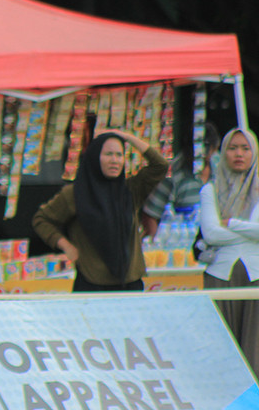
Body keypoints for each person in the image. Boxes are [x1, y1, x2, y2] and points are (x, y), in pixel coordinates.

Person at [32, 129, 168, 292]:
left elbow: (160, 165)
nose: (114, 160)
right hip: (92, 284)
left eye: (119, 155)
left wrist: (128, 137)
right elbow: (42, 220)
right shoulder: (75, 193)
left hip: (130, 283)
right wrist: (66, 246)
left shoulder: (130, 190)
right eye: (108, 154)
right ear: (95, 157)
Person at [198, 127, 259, 374]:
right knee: (222, 346)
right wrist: (250, 232)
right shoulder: (210, 190)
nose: (239, 154)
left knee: (255, 349)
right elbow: (211, 234)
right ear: (223, 153)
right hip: (221, 275)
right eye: (232, 148)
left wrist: (231, 223)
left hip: (255, 274)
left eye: (245, 148)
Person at [142, 122, 220, 237]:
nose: (199, 155)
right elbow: (151, 214)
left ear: (214, 148)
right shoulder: (173, 174)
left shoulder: (220, 167)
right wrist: (156, 241)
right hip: (183, 239)